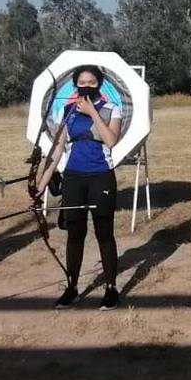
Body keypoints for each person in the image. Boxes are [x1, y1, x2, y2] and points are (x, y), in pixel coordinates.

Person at [37, 65, 123, 310]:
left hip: (101, 177)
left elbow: (111, 139)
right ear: (75, 86)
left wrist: (92, 113)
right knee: (75, 235)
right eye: (81, 82)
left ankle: (111, 288)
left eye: (92, 82)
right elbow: (56, 150)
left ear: (99, 84)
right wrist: (42, 185)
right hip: (74, 177)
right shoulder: (67, 111)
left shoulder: (110, 109)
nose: (86, 86)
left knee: (104, 233)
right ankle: (72, 286)